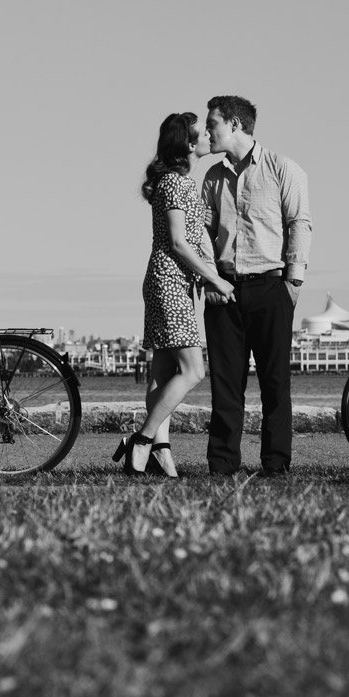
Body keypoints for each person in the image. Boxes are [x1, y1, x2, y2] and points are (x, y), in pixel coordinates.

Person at [116, 113, 237, 477]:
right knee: (194, 370)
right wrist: (214, 279)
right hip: (169, 283)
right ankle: (142, 439)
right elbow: (179, 243)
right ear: (188, 144)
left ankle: (159, 451)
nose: (207, 139)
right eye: (201, 135)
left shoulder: (179, 182)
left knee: (164, 372)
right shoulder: (176, 184)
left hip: (168, 282)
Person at [199, 95, 311, 476]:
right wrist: (209, 279)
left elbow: (299, 224)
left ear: (233, 124)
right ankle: (222, 464)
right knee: (224, 386)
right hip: (223, 290)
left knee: (275, 383)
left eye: (211, 122)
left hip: (271, 287)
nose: (205, 130)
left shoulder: (284, 169)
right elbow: (202, 234)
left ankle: (276, 464)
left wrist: (292, 282)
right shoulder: (213, 176)